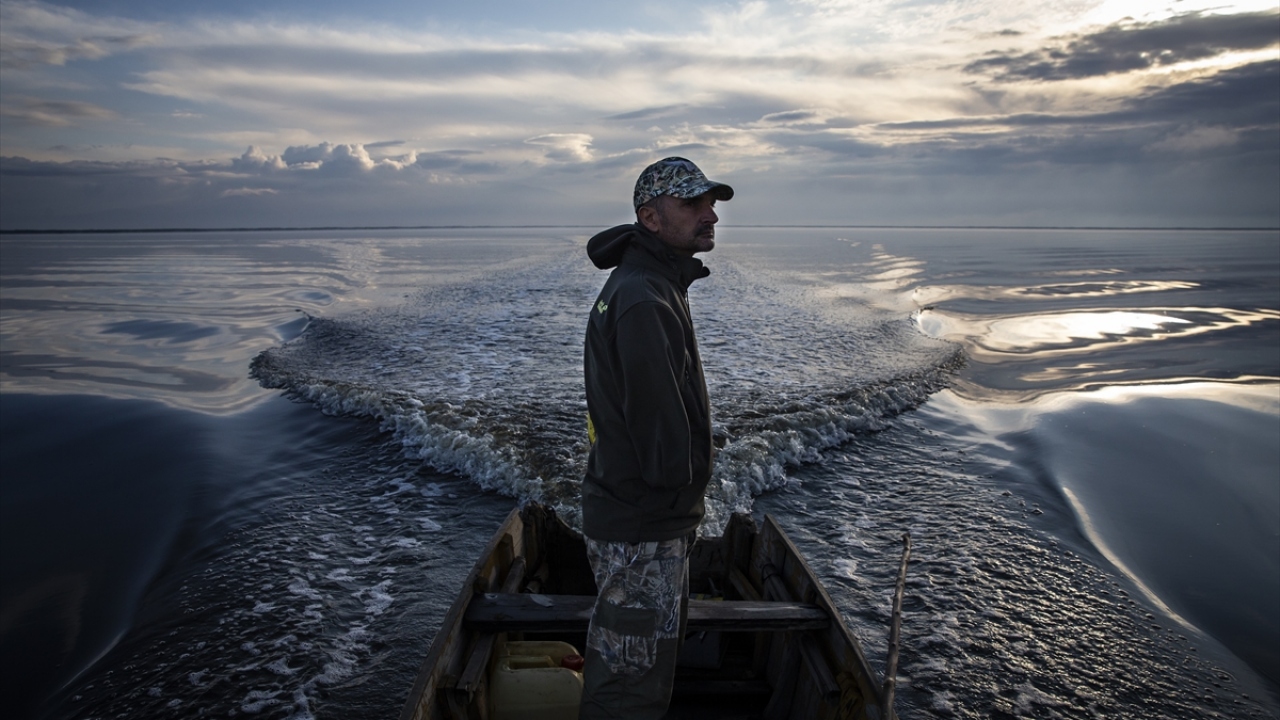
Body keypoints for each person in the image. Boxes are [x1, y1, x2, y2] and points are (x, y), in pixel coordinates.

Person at [580, 157, 733, 719]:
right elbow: (659, 434)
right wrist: (680, 493)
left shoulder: (652, 285)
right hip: (643, 526)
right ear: (650, 217)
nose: (710, 214)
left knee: (637, 674)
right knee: (628, 690)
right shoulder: (644, 298)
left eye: (710, 202)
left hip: (645, 519)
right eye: (692, 203)